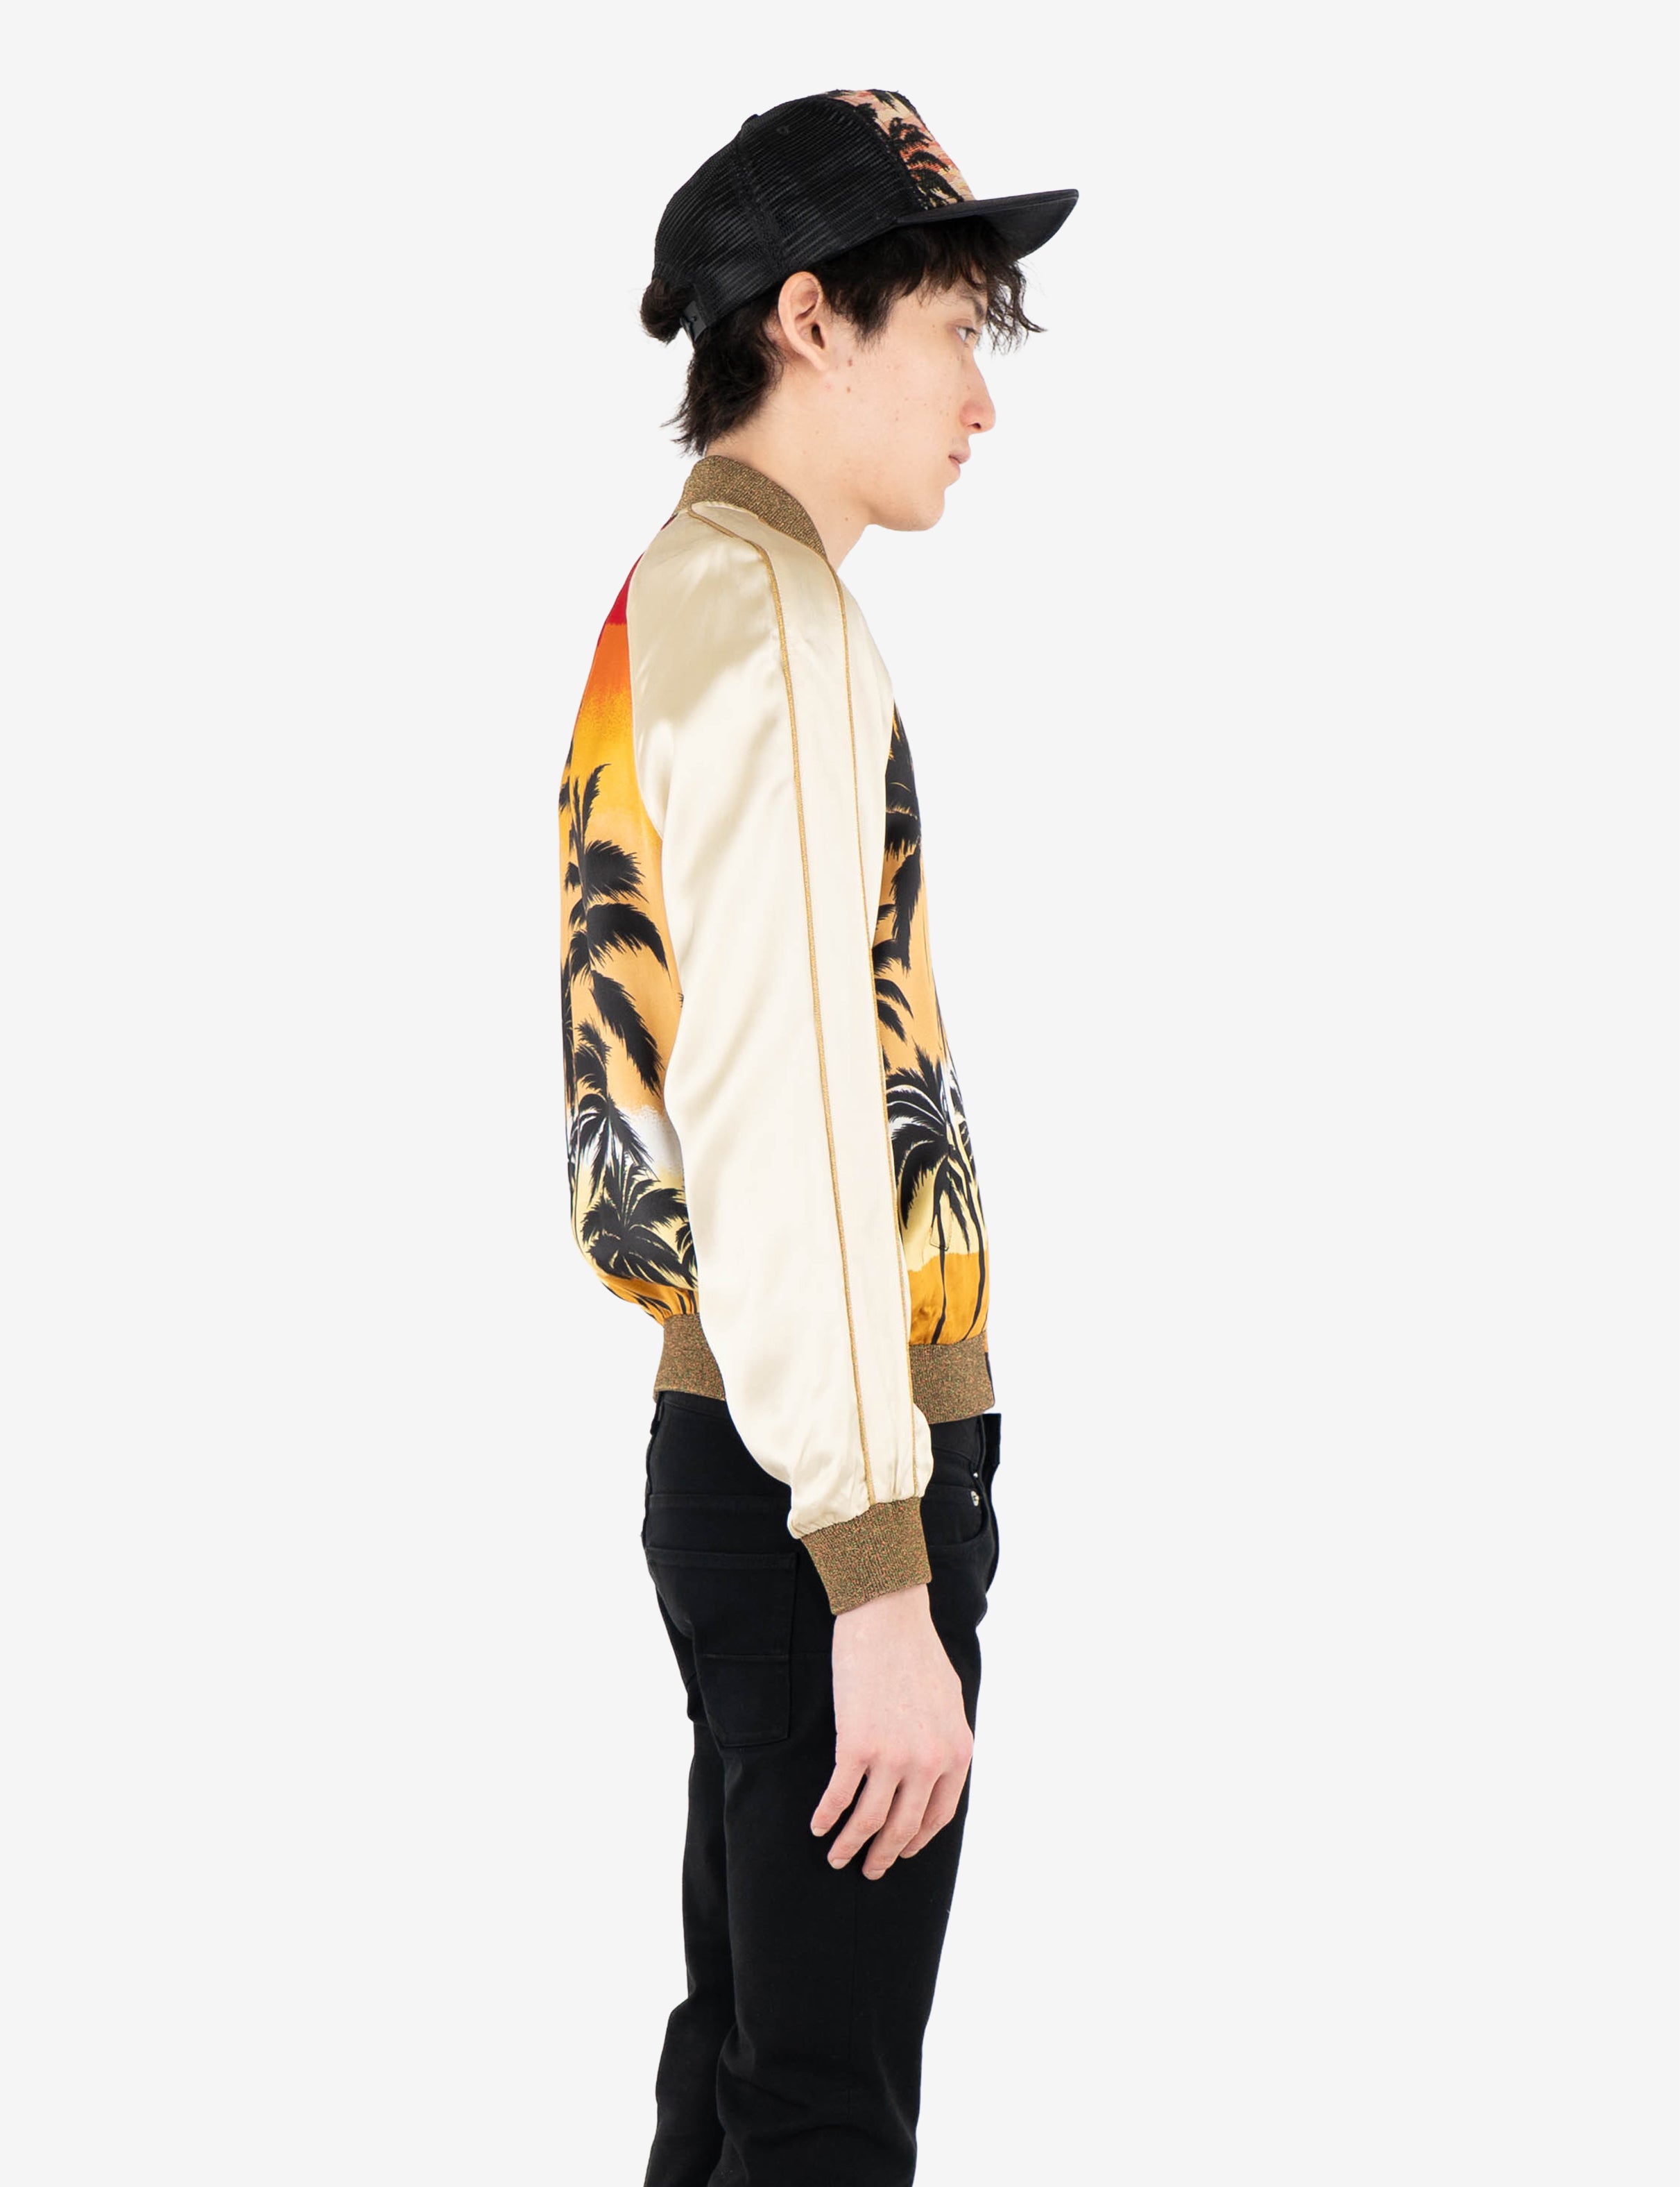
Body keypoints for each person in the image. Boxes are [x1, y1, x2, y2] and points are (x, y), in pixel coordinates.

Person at [556, 88, 1076, 2187]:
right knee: (819, 2121)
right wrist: (877, 1571)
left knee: (752, 2077)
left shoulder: (690, 596)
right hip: (820, 1486)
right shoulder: (764, 624)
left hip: (745, 1444)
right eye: (951, 331)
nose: (981, 401)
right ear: (806, 319)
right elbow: (783, 1113)